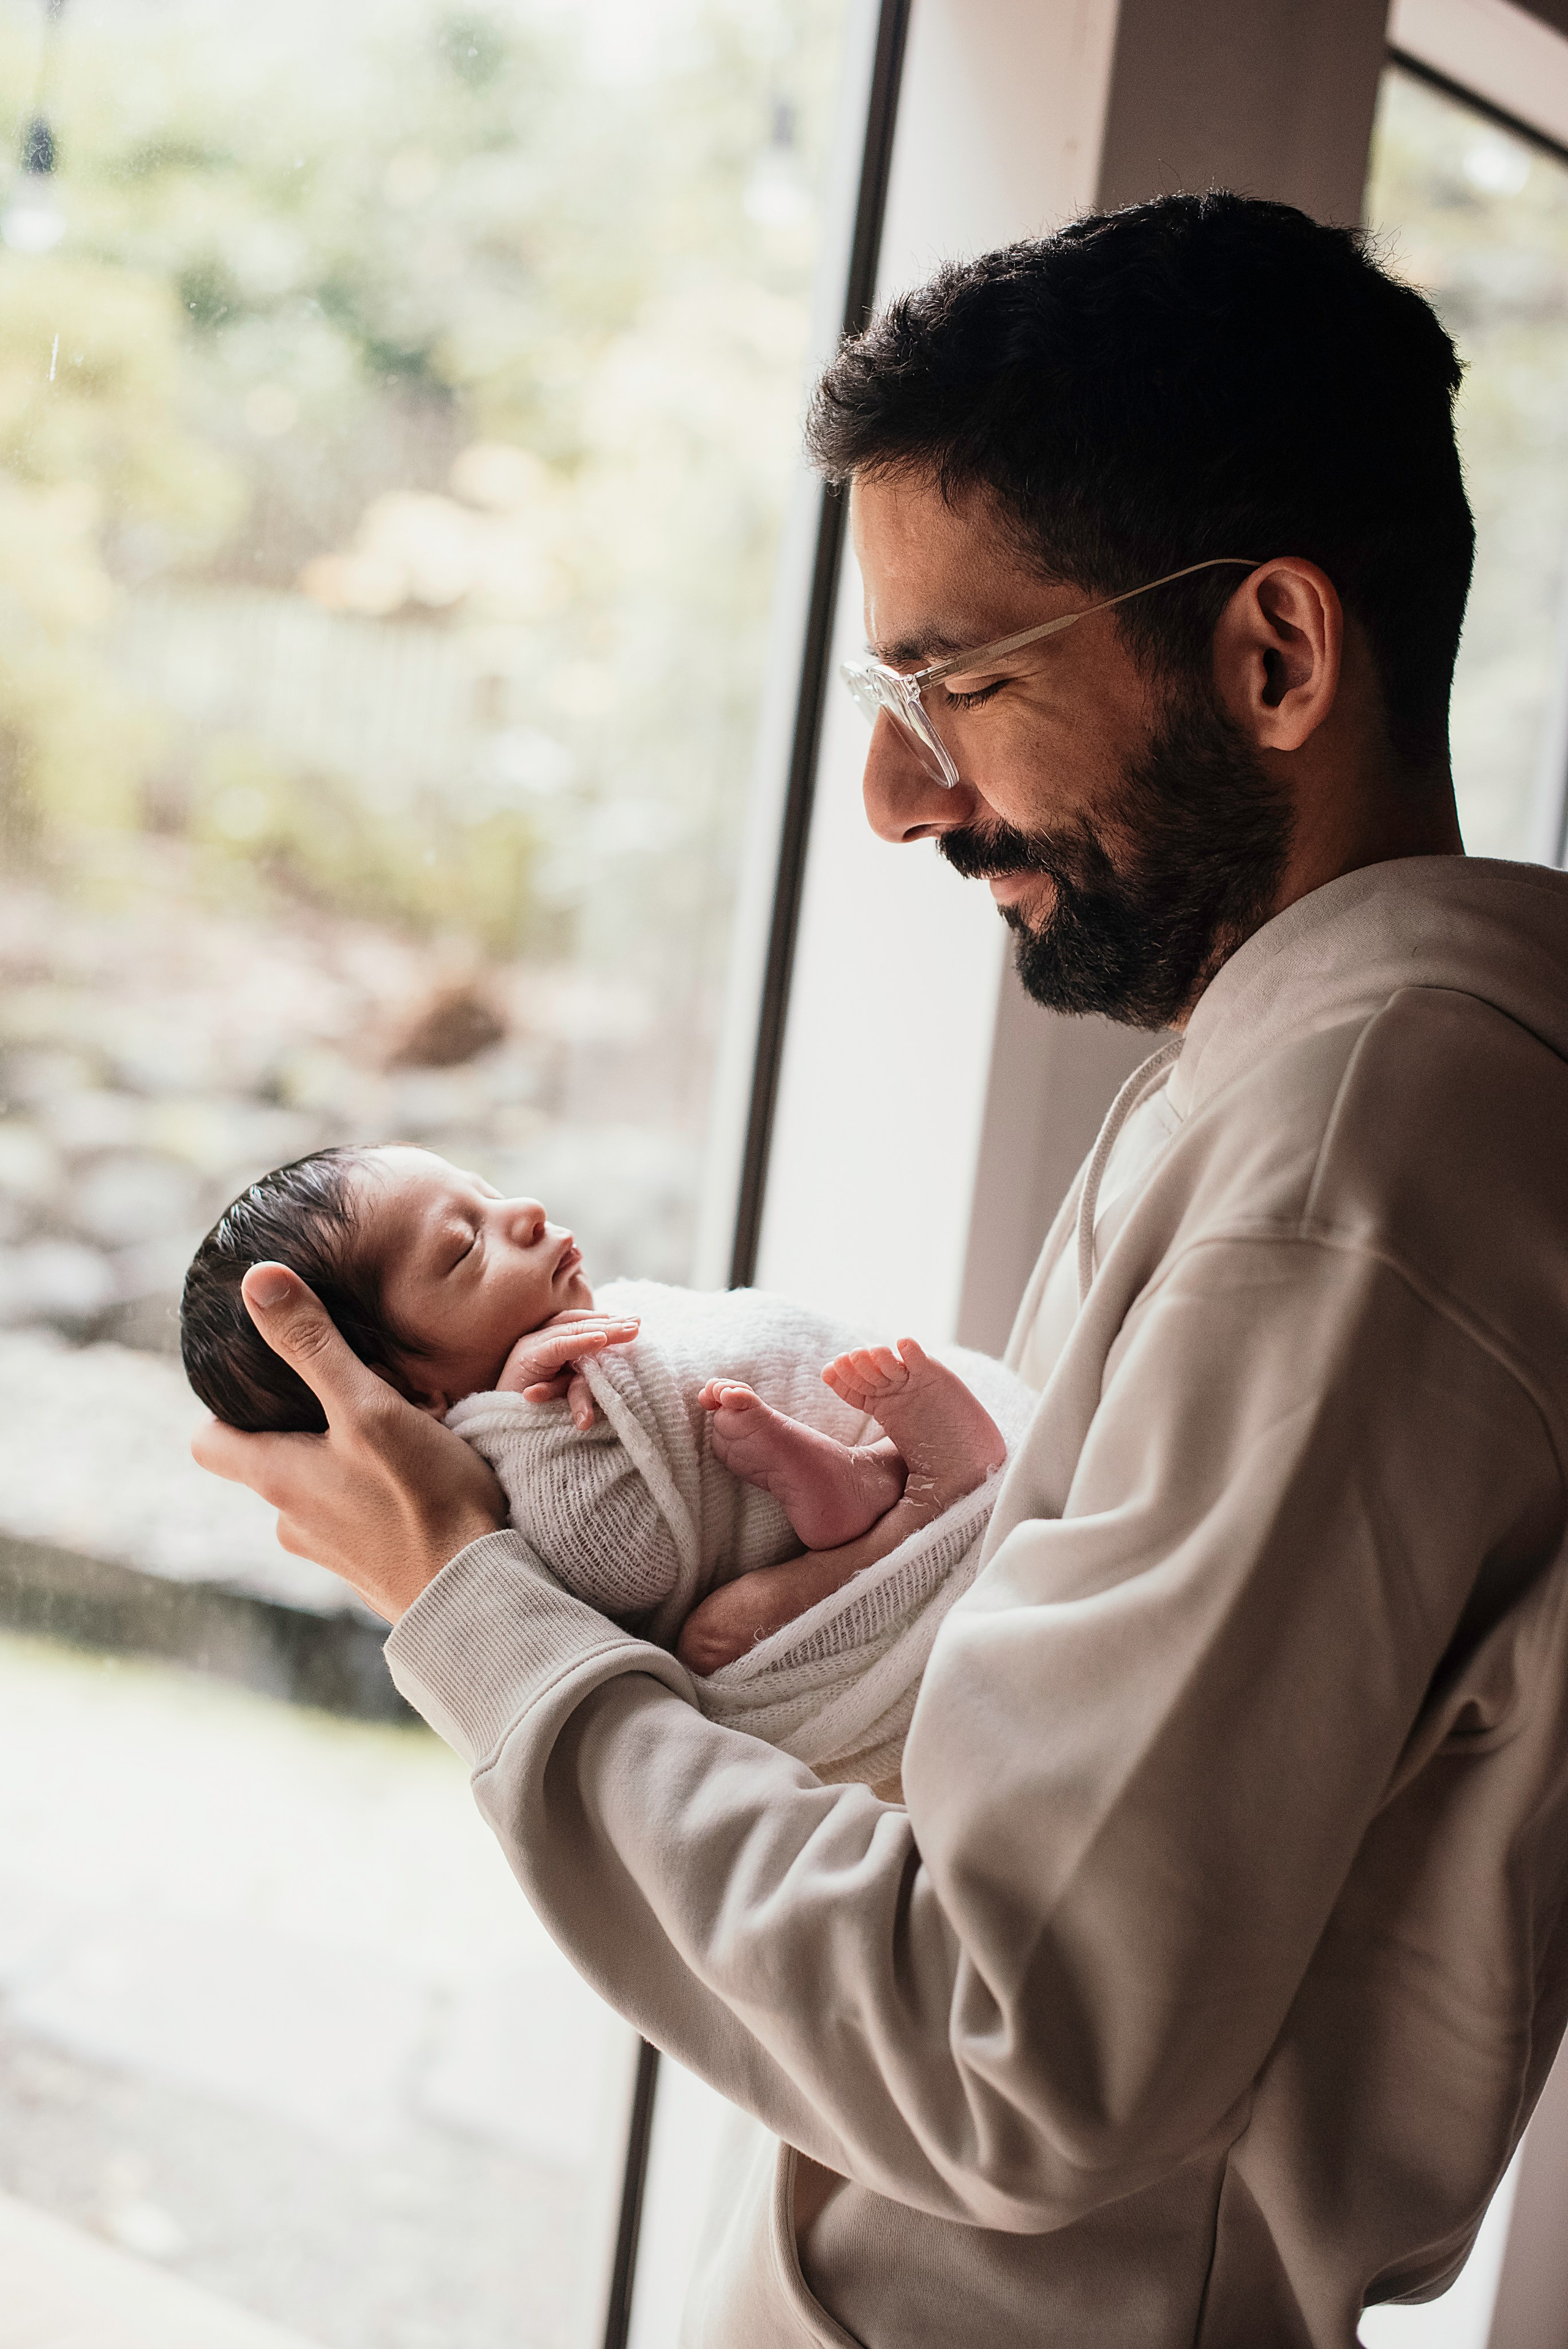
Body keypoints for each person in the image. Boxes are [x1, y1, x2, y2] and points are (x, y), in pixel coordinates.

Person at [192, 192, 1568, 2346]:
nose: (889, 789)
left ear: (1273, 656)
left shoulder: (1356, 1159)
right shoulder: (1310, 1087)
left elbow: (1014, 2050)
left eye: (959, 681)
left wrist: (469, 1602)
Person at [179, 1144, 1023, 1748]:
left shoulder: (592, 1345)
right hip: (886, 1525)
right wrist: (530, 1422)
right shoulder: (528, 1441)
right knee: (715, 1643)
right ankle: (886, 1489)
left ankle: (916, 1491)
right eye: (466, 1244)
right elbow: (628, 1567)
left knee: (723, 1631)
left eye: (486, 1190)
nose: (523, 1213)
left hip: (907, 1449)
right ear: (408, 1397)